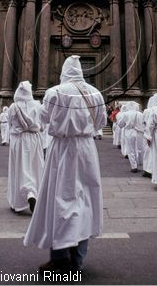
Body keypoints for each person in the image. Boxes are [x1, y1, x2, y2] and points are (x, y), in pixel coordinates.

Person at [24, 55, 106, 274]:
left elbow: (43, 118)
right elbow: (101, 122)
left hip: (62, 149)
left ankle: (60, 258)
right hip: (87, 150)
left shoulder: (54, 92)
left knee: (61, 199)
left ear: (64, 71)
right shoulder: (95, 93)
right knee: (85, 201)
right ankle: (78, 259)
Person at [7, 81, 44, 214]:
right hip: (34, 138)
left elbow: (10, 123)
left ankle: (23, 198)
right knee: (34, 167)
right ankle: (35, 194)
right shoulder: (38, 105)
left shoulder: (13, 107)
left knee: (19, 168)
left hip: (19, 139)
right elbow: (43, 125)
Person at [121, 101, 144, 172]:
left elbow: (120, 124)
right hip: (140, 132)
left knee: (130, 149)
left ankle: (134, 166)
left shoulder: (125, 114)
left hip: (129, 131)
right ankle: (140, 163)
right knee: (139, 148)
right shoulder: (140, 114)